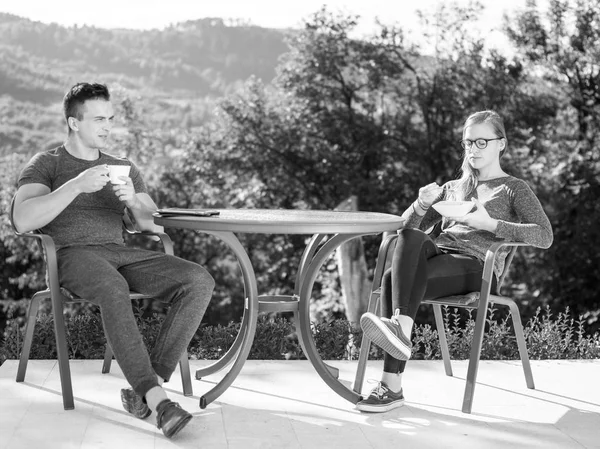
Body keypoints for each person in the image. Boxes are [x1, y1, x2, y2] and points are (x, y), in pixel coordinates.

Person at [12, 82, 215, 438]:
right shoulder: (48, 164)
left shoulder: (122, 166)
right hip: (73, 256)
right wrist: (76, 185)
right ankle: (159, 402)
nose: (107, 127)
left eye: (110, 119)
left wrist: (134, 201)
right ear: (74, 123)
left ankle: (146, 390)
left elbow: (152, 223)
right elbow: (22, 219)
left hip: (121, 253)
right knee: (112, 286)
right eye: (98, 119)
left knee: (199, 280)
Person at [356, 110, 553, 413]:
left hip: (477, 266)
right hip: (441, 257)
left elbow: (544, 235)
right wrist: (420, 204)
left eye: (481, 142)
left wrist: (492, 225)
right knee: (407, 242)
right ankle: (399, 334)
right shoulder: (453, 188)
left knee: (389, 280)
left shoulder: (514, 188)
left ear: (501, 144)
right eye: (467, 143)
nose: (472, 149)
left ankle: (391, 380)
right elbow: (406, 228)